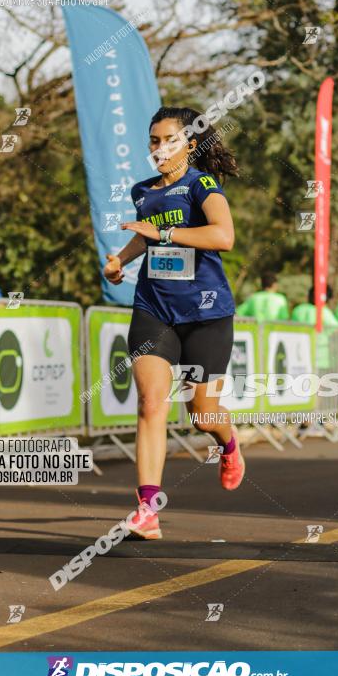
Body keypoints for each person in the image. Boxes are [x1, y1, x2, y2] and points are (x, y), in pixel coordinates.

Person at [103, 106, 244, 540]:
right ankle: (147, 509)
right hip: (154, 309)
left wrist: (163, 234)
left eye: (170, 140)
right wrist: (119, 262)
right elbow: (144, 235)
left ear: (190, 144)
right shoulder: (143, 191)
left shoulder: (202, 185)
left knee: (201, 415)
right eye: (154, 140)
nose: (160, 148)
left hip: (206, 313)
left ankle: (228, 441)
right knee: (150, 404)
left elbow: (223, 237)